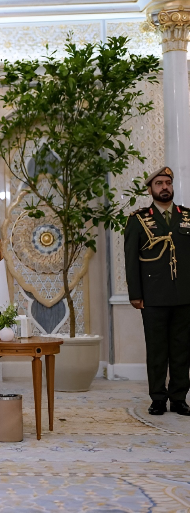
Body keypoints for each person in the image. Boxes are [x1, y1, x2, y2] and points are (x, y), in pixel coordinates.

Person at [124, 166, 190, 416]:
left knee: (182, 350)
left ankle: (179, 398)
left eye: (168, 183)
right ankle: (158, 398)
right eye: (159, 183)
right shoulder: (138, 220)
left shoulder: (187, 216)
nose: (165, 187)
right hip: (153, 296)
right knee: (157, 350)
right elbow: (131, 259)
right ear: (150, 189)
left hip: (184, 295)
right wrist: (135, 294)